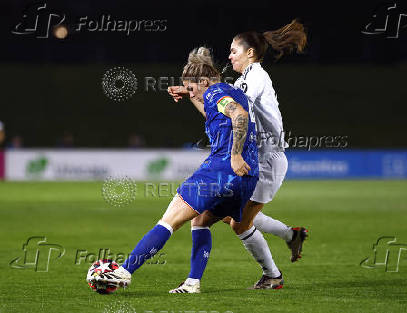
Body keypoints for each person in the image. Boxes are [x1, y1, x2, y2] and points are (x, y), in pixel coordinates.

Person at [89, 47, 260, 291]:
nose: (192, 93)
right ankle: (192, 282)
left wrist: (234, 155)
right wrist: (189, 93)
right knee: (200, 221)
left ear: (203, 81)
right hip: (246, 176)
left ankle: (123, 272)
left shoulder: (214, 93)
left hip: (222, 168)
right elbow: (214, 110)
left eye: (192, 88)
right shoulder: (224, 92)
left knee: (168, 221)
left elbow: (239, 116)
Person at [168, 20, 308, 291]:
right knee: (224, 217)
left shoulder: (256, 77)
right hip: (252, 157)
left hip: (266, 161)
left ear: (250, 54)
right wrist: (192, 93)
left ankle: (273, 275)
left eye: (234, 51)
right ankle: (291, 236)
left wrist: (192, 90)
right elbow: (217, 109)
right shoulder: (244, 79)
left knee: (239, 224)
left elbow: (233, 109)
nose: (229, 55)